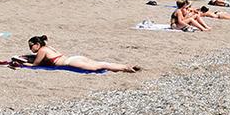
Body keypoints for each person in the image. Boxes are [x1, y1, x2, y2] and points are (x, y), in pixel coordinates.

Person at [11, 35, 139, 73]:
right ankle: (125, 66)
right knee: (100, 63)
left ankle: (125, 68)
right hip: (74, 57)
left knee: (100, 65)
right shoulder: (49, 47)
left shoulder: (42, 51)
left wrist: (21, 63)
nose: (30, 48)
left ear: (37, 45)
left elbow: (35, 65)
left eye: (31, 46)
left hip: (71, 62)